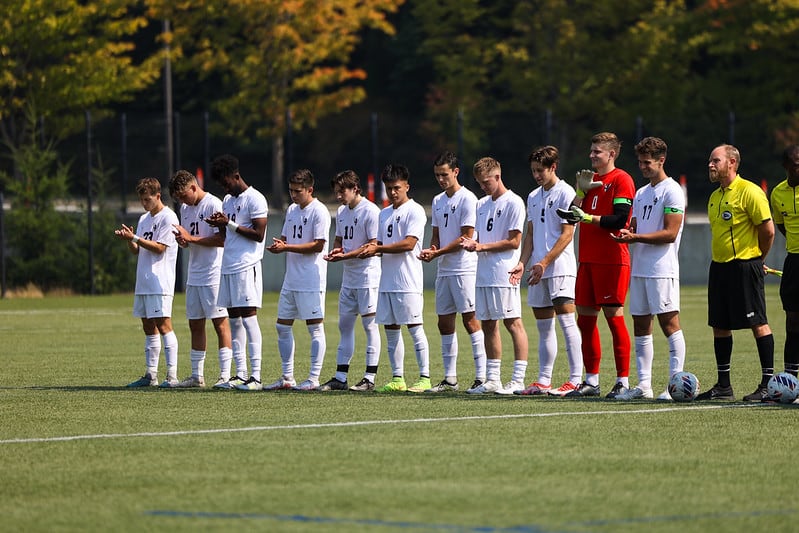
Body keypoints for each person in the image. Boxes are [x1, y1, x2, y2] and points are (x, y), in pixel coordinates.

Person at [557, 132, 635, 398]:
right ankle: (591, 381)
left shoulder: (621, 180)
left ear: (611, 154)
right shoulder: (591, 181)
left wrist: (588, 217)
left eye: (597, 152)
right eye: (591, 151)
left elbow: (620, 220)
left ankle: (622, 381)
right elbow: (570, 215)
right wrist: (580, 192)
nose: (591, 155)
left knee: (614, 320)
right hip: (587, 260)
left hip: (612, 260)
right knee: (586, 321)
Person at [696, 144, 775, 401]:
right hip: (719, 267)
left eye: (715, 160)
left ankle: (767, 384)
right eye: (710, 160)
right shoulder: (715, 196)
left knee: (758, 323)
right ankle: (723, 386)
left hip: (745, 266)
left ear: (732, 162)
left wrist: (757, 259)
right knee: (719, 325)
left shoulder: (750, 191)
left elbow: (768, 230)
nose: (710, 164)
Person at [610, 137, 686, 401]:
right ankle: (644, 386)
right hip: (639, 268)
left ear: (661, 160)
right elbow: (636, 226)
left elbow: (670, 233)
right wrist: (628, 232)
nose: (642, 166)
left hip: (662, 269)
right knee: (641, 325)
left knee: (669, 323)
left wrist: (635, 238)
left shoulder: (673, 190)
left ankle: (675, 385)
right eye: (640, 161)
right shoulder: (641, 193)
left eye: (647, 162)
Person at [509, 146, 583, 396]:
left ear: (553, 167)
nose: (536, 175)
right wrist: (523, 261)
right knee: (543, 327)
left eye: (540, 170)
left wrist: (545, 262)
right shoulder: (532, 196)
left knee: (566, 322)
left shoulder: (566, 192)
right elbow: (530, 234)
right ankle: (543, 380)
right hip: (537, 269)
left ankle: (575, 380)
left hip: (559, 268)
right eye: (533, 171)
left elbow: (567, 234)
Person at [357, 163, 431, 393]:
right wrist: (361, 250)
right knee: (391, 330)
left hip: (407, 281)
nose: (392, 192)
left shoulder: (415, 210)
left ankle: (425, 377)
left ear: (407, 186)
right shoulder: (384, 213)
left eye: (397, 187)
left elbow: (409, 244)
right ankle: (397, 378)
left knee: (415, 328)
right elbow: (379, 244)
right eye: (389, 188)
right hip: (386, 281)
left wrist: (378, 249)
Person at [418, 151, 487, 392]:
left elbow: (465, 238)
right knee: (444, 323)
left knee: (470, 320)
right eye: (437, 175)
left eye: (444, 174)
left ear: (455, 172)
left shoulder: (468, 199)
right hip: (444, 269)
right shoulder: (438, 200)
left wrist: (437, 253)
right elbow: (436, 235)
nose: (440, 179)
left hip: (464, 269)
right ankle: (450, 379)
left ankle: (481, 377)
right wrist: (431, 250)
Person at [461, 157, 529, 395]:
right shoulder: (481, 204)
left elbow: (514, 241)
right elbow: (481, 238)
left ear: (498, 177)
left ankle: (518, 380)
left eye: (486, 182)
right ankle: (492, 380)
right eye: (479, 183)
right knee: (488, 324)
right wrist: (472, 243)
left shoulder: (514, 202)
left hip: (504, 272)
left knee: (513, 323)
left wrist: (480, 247)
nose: (483, 187)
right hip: (483, 273)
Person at [205, 154, 268, 391]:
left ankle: (256, 376)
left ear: (236, 176)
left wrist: (229, 223)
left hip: (246, 264)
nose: (225, 187)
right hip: (228, 265)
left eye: (226, 182)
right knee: (234, 320)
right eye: (222, 185)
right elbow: (226, 235)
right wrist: (219, 224)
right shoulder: (228, 201)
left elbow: (258, 234)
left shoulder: (256, 198)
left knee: (249, 317)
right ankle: (240, 374)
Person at [265, 169, 331, 391]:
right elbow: (285, 238)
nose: (293, 195)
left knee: (315, 328)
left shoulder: (319, 211)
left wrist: (287, 247)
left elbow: (318, 245)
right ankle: (287, 377)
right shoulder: (292, 210)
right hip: (291, 279)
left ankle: (313, 379)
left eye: (298, 191)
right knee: (282, 326)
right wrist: (279, 245)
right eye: (291, 190)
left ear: (309, 190)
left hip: (311, 279)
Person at [169, 170, 233, 388]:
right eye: (178, 199)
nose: (182, 201)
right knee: (195, 324)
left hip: (213, 273)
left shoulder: (213, 204)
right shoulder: (186, 209)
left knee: (220, 324)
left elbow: (222, 239)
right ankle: (197, 376)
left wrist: (191, 238)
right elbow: (191, 238)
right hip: (194, 274)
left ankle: (225, 375)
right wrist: (184, 241)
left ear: (194, 187)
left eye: (183, 195)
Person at [116, 177, 180, 387]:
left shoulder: (168, 217)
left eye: (147, 199)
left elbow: (160, 248)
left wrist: (135, 238)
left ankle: (172, 376)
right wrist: (130, 240)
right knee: (148, 326)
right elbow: (138, 250)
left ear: (158, 196)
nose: (144, 204)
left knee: (164, 325)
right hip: (143, 281)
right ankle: (151, 375)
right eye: (142, 200)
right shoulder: (144, 219)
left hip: (159, 281)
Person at [321, 170, 382, 392]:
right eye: (336, 191)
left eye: (342, 191)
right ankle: (340, 376)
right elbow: (339, 238)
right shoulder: (342, 211)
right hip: (349, 279)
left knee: (369, 325)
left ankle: (369, 377)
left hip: (367, 278)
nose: (338, 196)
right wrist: (336, 250)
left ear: (355, 188)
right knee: (344, 325)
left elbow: (374, 246)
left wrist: (344, 255)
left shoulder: (371, 211)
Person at [770, 145, 799, 382]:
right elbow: (780, 225)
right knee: (792, 323)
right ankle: (791, 379)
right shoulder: (777, 193)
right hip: (794, 263)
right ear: (787, 167)